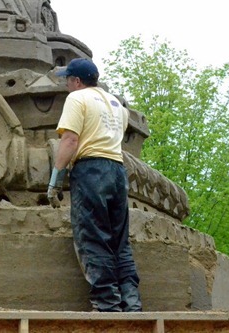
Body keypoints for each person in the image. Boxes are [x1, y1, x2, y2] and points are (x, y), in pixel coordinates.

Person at [48, 58, 142, 312]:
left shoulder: (77, 99)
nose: (66, 84)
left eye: (68, 79)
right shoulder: (116, 105)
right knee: (119, 240)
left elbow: (70, 139)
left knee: (93, 237)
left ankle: (107, 305)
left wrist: (55, 179)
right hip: (117, 170)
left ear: (76, 81)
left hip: (91, 170)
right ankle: (132, 304)